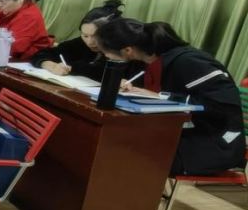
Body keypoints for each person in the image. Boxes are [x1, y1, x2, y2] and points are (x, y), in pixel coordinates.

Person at [96, 19, 246, 176]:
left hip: (211, 143)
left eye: (105, 52)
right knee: (114, 142)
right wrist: (129, 86)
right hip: (173, 132)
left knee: (127, 154)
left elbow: (224, 107)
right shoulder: (142, 61)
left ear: (127, 50)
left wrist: (162, 96)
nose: (105, 56)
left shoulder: (189, 61)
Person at [30, 0, 136, 81]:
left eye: (95, 36)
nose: (90, 42)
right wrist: (51, 65)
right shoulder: (80, 43)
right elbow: (41, 54)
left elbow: (98, 72)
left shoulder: (124, 51)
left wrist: (73, 67)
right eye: (85, 35)